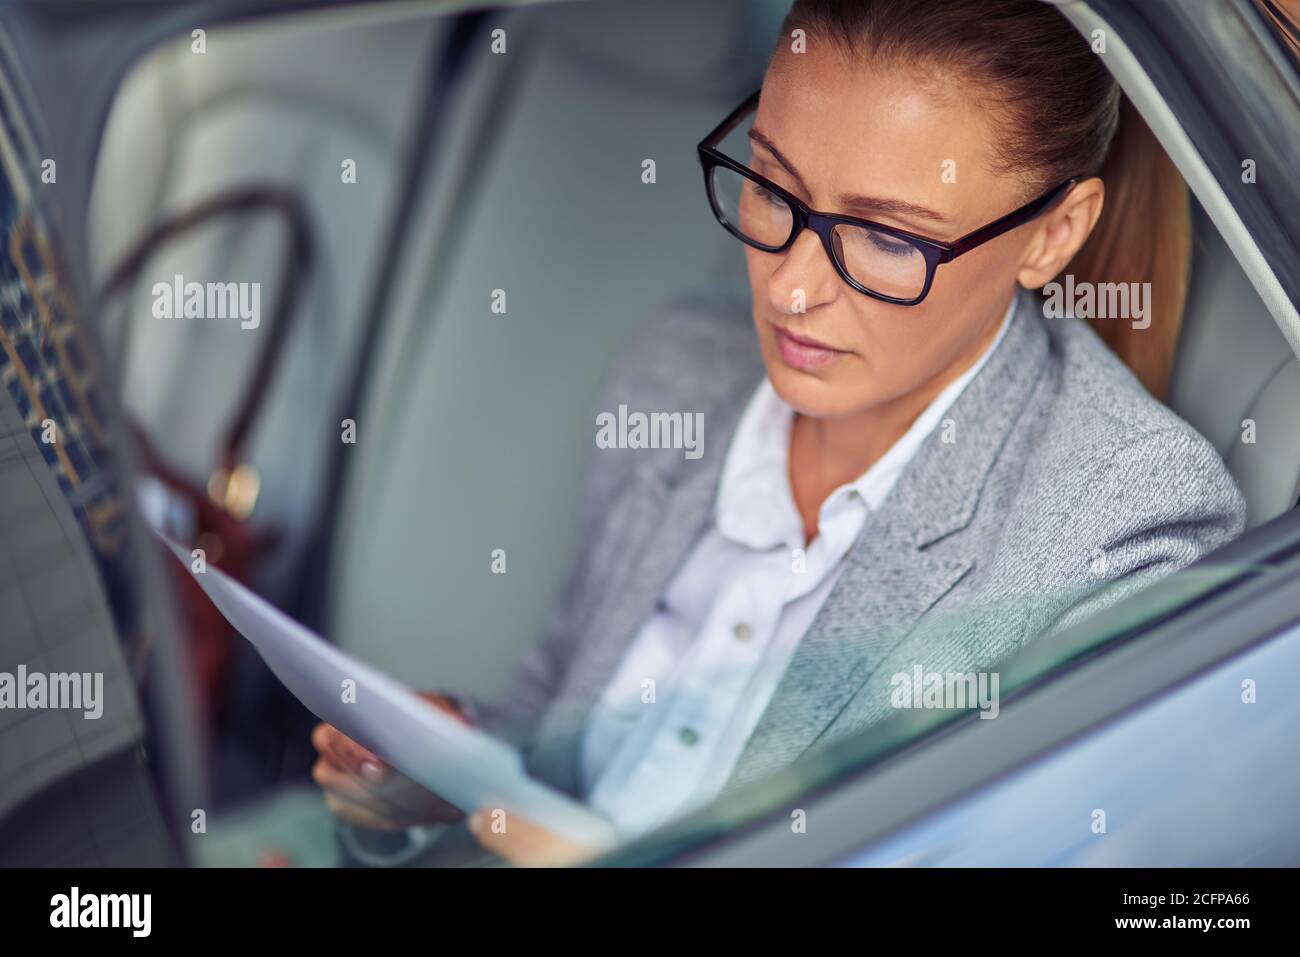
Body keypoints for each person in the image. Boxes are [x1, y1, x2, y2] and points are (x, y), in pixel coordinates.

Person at [312, 0, 1246, 866]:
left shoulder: (1117, 528)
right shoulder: (678, 370)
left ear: (1053, 235)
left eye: (888, 238)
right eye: (771, 185)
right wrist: (452, 764)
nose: (790, 288)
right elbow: (564, 716)